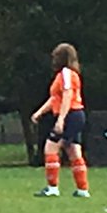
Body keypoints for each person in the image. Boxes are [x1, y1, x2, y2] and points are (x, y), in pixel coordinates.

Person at [30, 43, 90, 198]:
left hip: (71, 115)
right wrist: (40, 112)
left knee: (51, 148)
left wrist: (61, 120)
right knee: (74, 151)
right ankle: (83, 189)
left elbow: (67, 96)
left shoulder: (66, 73)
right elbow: (55, 98)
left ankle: (52, 188)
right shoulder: (66, 75)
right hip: (75, 115)